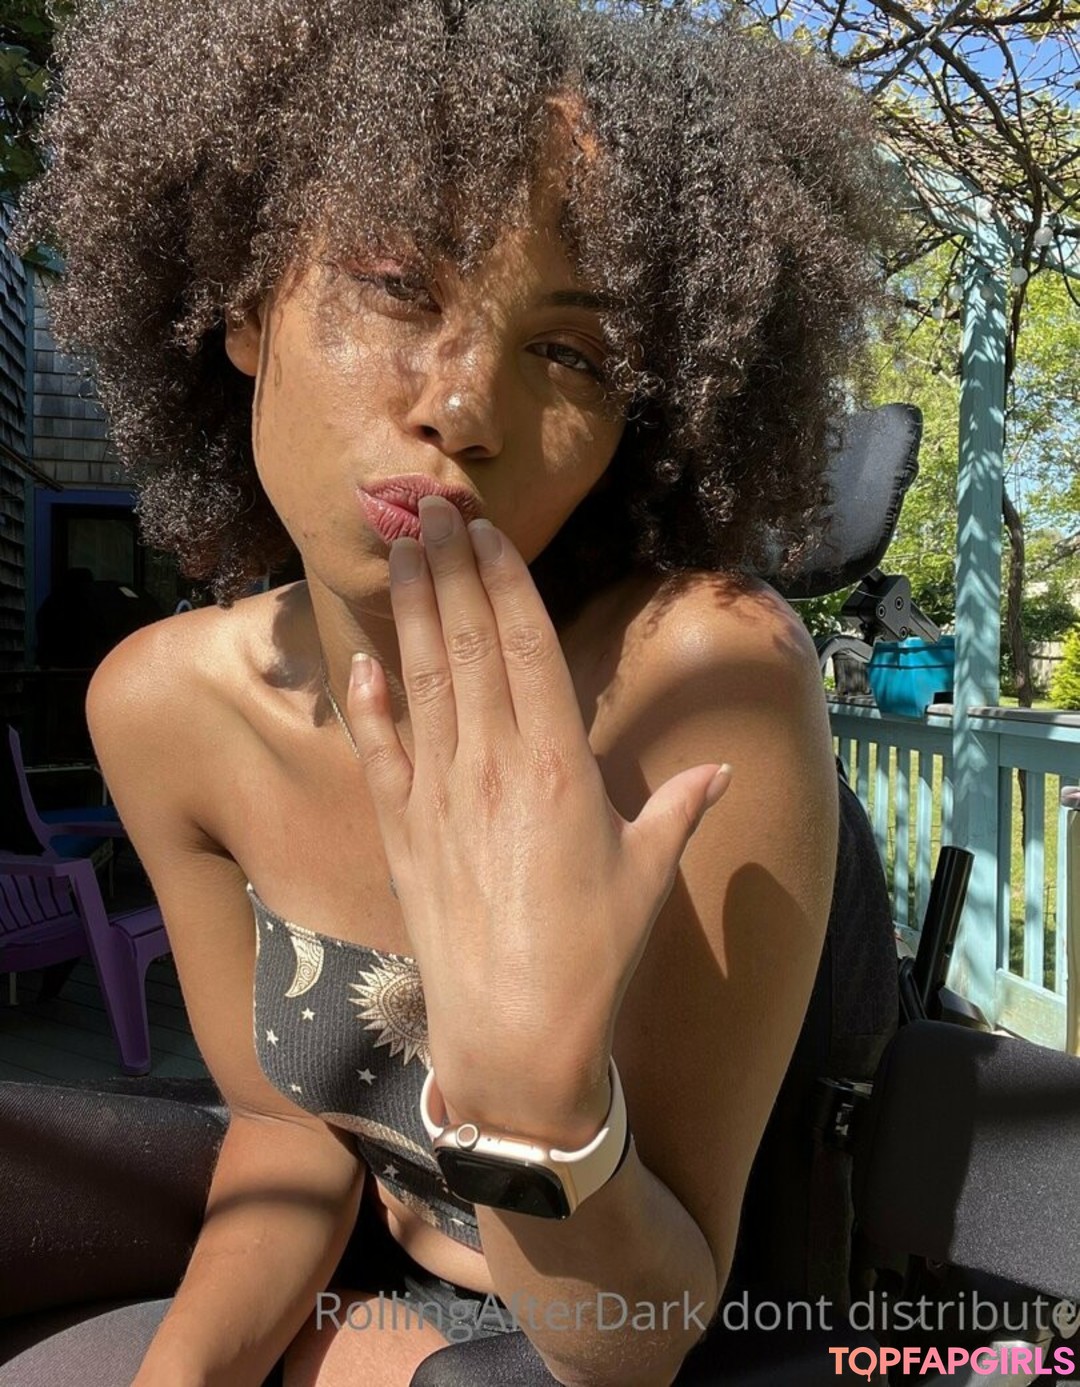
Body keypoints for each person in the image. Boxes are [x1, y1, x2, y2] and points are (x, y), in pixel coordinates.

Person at [5, 1, 899, 1383]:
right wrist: (185, 1375)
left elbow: (639, 1338)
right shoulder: (160, 710)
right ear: (243, 304)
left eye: (573, 353)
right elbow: (288, 1134)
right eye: (397, 284)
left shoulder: (702, 689)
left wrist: (538, 1104)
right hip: (364, 1282)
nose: (466, 406)